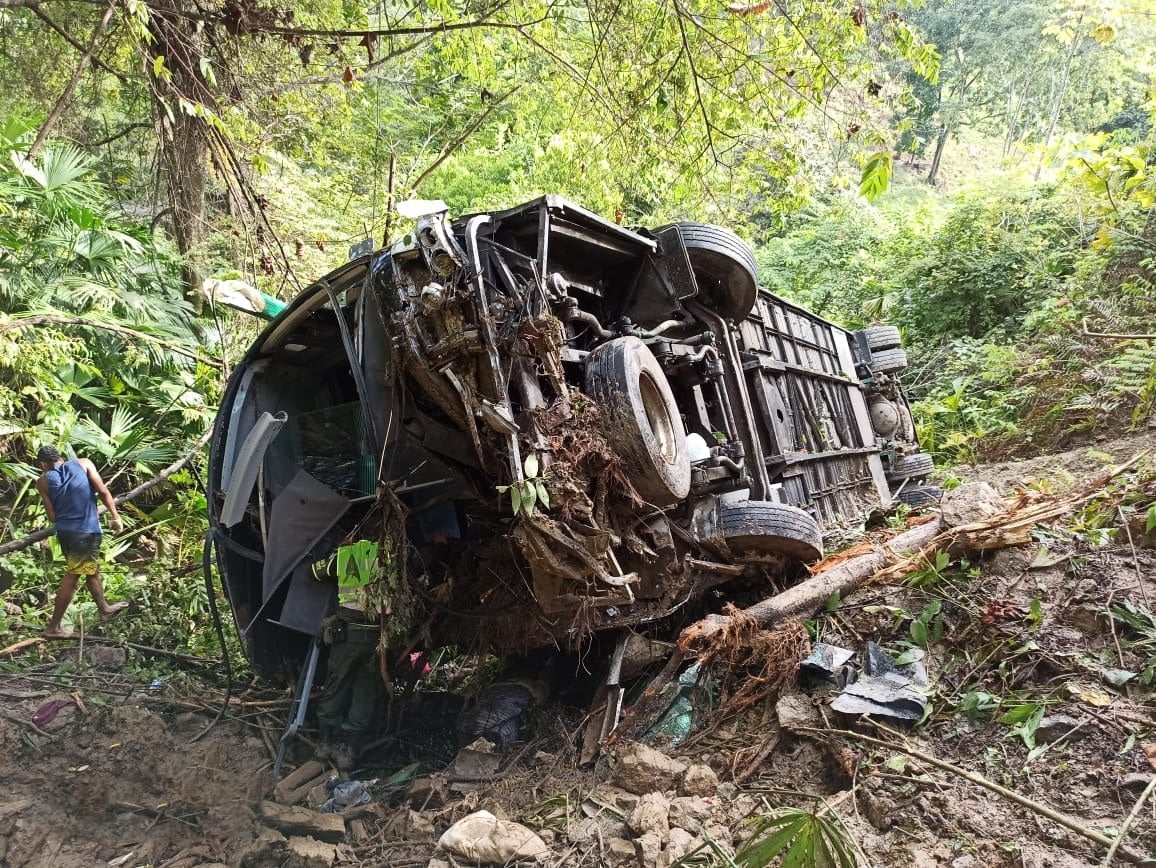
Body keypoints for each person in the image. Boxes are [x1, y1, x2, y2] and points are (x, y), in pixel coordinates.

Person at [34, 446, 128, 638]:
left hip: (66, 533)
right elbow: (102, 491)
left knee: (90, 570)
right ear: (59, 457)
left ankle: (104, 610)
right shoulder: (84, 464)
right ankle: (53, 628)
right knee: (74, 575)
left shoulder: (42, 482)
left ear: (43, 464)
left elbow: (52, 516)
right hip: (85, 531)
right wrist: (115, 516)